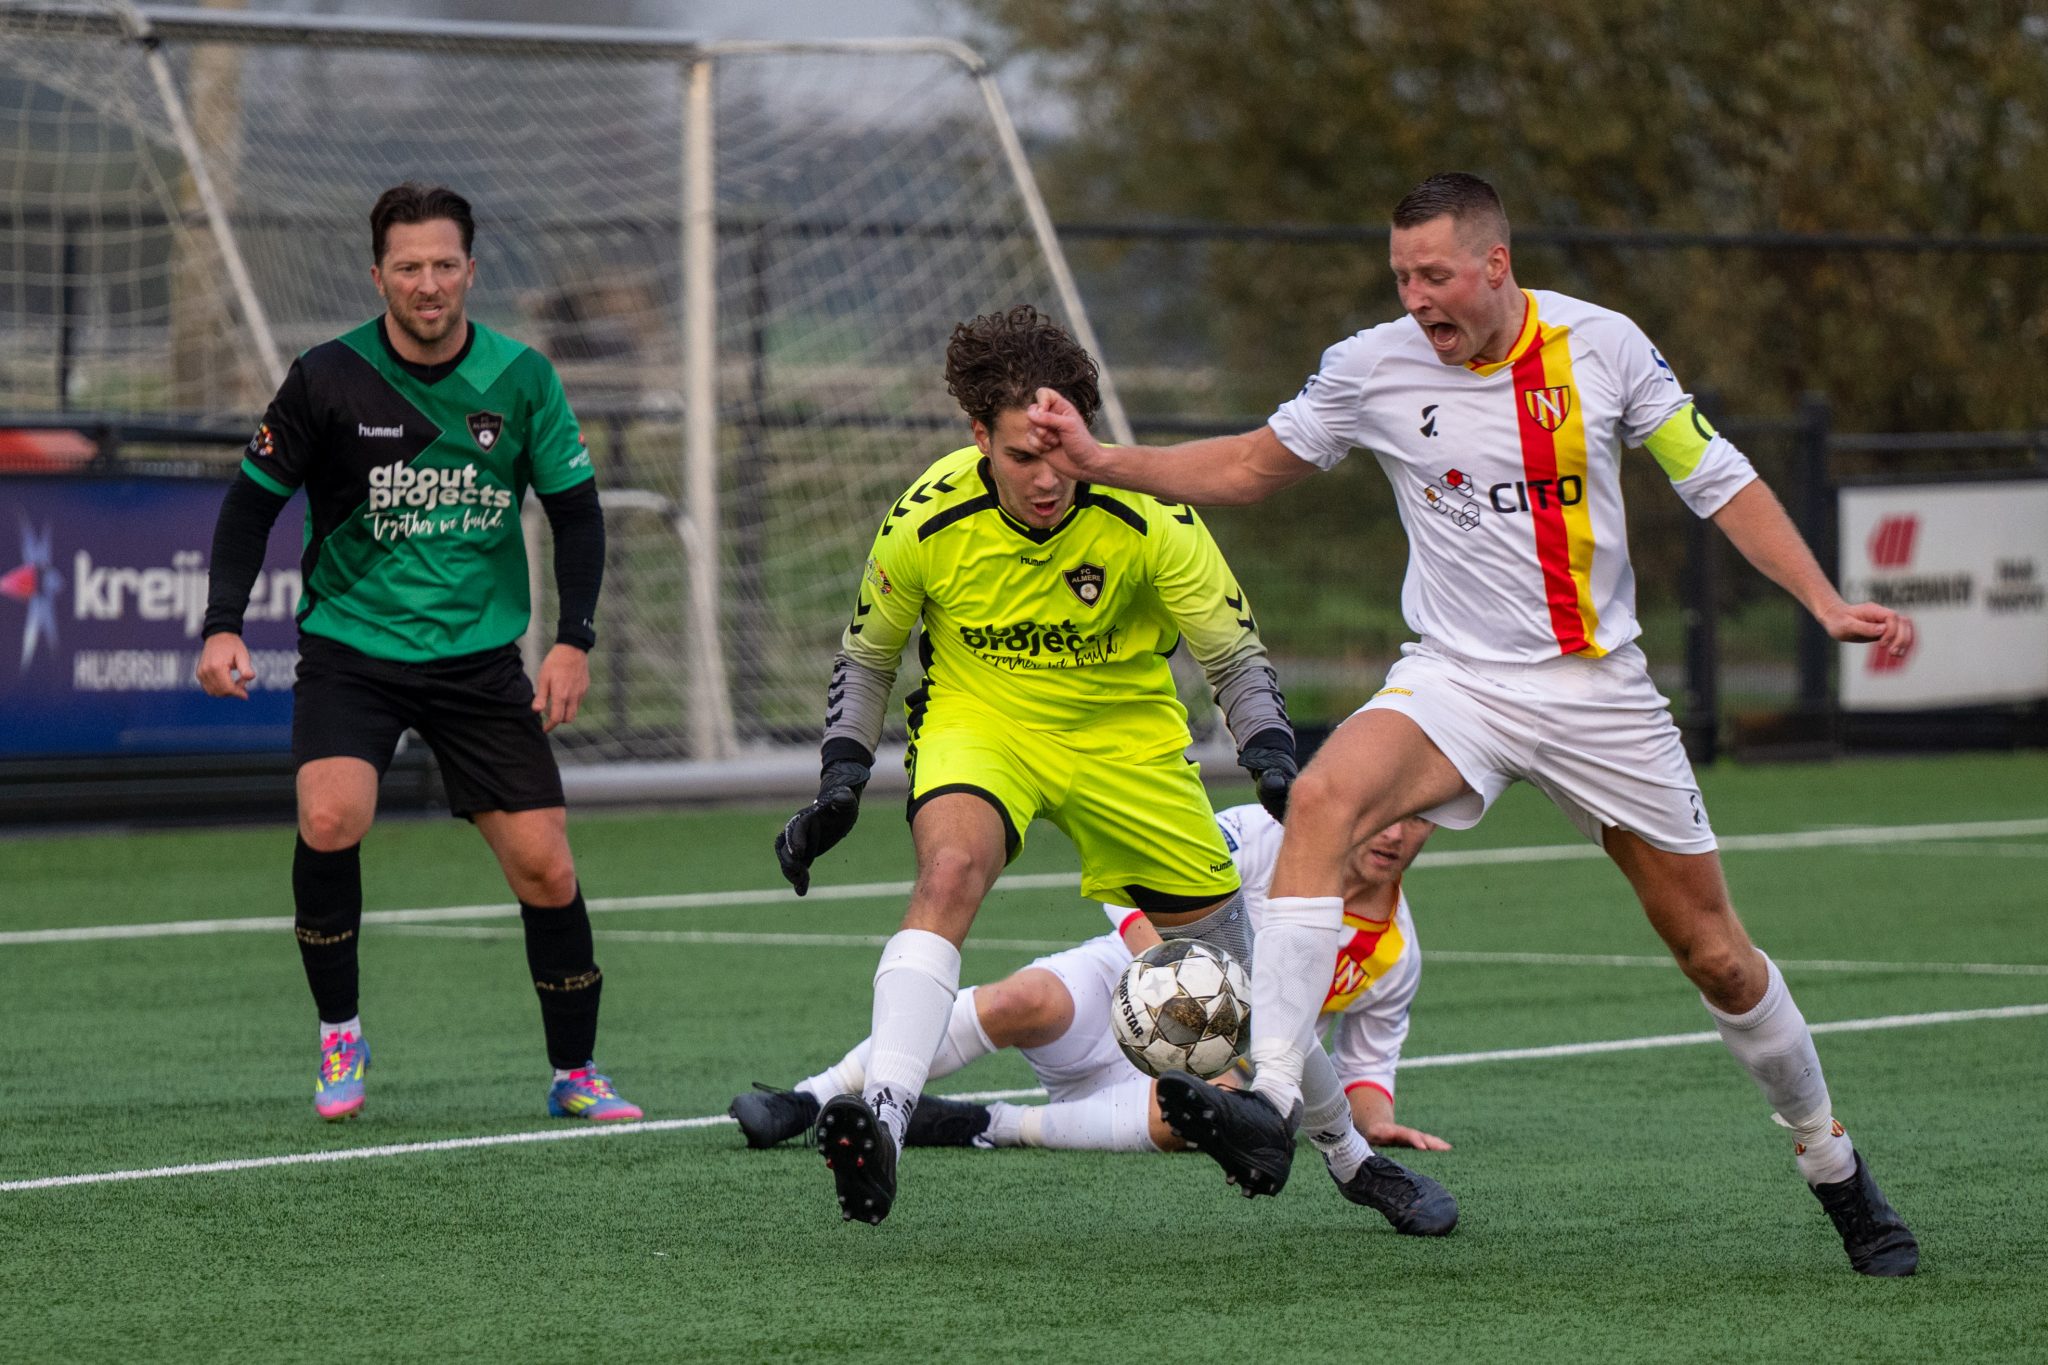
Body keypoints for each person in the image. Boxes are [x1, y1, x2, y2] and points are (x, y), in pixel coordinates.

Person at [1023, 173, 1918, 1276]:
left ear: (1496, 264)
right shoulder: (1371, 365)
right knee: (1320, 799)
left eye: (1434, 275)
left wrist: (1822, 601)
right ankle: (1269, 1096)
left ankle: (1830, 1159)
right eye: (1401, 277)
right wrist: (1100, 460)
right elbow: (1252, 464)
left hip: (1597, 693)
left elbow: (1717, 480)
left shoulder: (1603, 346)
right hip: (1456, 680)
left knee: (1717, 959)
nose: (1415, 298)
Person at [772, 304, 1308, 1226]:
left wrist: (1271, 756)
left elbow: (1233, 655)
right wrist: (840, 780)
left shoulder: (1148, 513)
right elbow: (868, 658)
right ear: (979, 434)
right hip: (984, 724)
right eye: (1024, 455)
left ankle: (1346, 1155)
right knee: (950, 869)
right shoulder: (926, 519)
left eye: (1062, 450)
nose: (1049, 476)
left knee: (1233, 987)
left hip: (1125, 740)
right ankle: (885, 1121)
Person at [196, 182, 641, 1126]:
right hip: (351, 647)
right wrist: (222, 622)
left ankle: (576, 1071)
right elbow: (249, 504)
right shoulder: (327, 375)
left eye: (444, 264)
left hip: (479, 660)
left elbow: (577, 514)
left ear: (471, 270)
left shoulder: (523, 378)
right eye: (409, 267)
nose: (428, 283)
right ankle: (340, 1033)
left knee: (545, 866)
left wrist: (573, 640)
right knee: (330, 815)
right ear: (379, 276)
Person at [736, 803, 1456, 1236]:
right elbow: (1136, 881)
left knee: (1202, 1117)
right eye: (1385, 811)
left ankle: (982, 1123)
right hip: (1123, 982)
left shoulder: (1397, 952)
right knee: (1018, 1000)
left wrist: (1377, 1120)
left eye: (1417, 817)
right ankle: (807, 1098)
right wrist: (1173, 976)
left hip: (1210, 1060)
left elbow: (1369, 1061)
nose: (1394, 833)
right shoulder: (1268, 834)